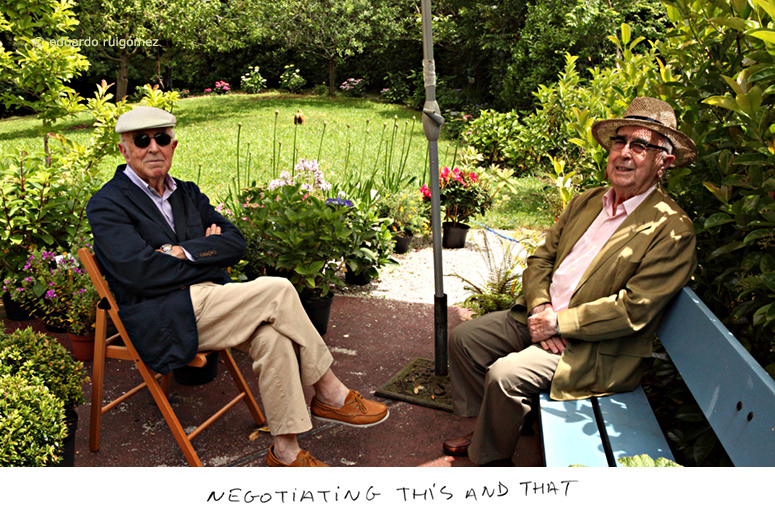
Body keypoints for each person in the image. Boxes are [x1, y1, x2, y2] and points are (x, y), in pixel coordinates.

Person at [85, 106, 388, 468]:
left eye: (162, 138)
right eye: (142, 140)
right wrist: (205, 257)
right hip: (164, 317)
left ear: (173, 145)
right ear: (124, 150)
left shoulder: (187, 193)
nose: (153, 148)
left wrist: (180, 252)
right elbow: (139, 273)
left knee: (273, 338)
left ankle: (285, 452)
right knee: (277, 290)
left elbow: (236, 242)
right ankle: (329, 391)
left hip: (213, 304)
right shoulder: (107, 204)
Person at [442, 97, 698, 466]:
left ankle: (491, 460)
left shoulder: (672, 229)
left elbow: (634, 310)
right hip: (541, 315)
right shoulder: (588, 200)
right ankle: (492, 427)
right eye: (619, 141)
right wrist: (542, 309)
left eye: (640, 146)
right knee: (465, 340)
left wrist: (560, 323)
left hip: (593, 347)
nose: (624, 153)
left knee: (504, 376)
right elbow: (541, 258)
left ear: (664, 162)